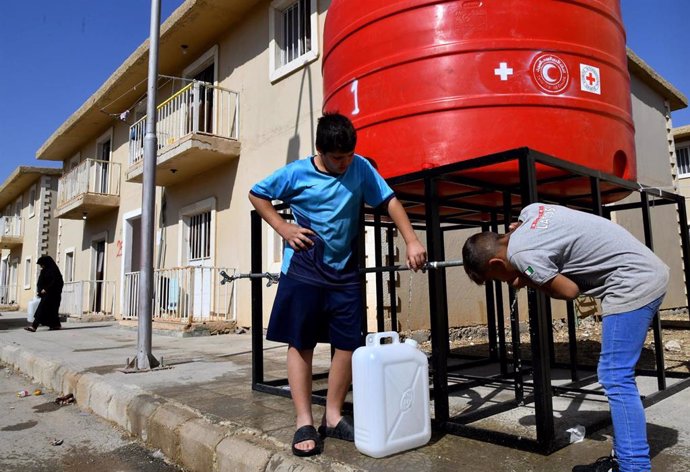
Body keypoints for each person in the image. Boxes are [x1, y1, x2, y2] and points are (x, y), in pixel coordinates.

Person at [249, 112, 427, 457]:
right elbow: (257, 194)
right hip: (304, 267)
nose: (345, 164)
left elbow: (389, 200)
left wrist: (411, 240)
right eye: (337, 158)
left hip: (343, 270)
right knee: (300, 342)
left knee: (348, 342)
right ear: (321, 150)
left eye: (348, 156)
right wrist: (283, 228)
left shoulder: (360, 167)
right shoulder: (297, 172)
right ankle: (304, 420)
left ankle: (332, 415)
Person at [462, 202, 669, 472]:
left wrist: (529, 276)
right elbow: (536, 230)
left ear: (496, 263)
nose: (505, 281)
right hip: (644, 270)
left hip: (633, 282)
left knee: (615, 375)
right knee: (615, 374)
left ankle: (634, 467)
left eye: (497, 278)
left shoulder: (524, 256)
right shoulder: (531, 212)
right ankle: (623, 458)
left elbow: (569, 291)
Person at [25, 255, 64, 332]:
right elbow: (40, 282)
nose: (41, 266)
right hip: (45, 295)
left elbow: (57, 282)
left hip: (53, 294)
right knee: (49, 311)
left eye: (42, 264)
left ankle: (34, 326)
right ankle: (56, 325)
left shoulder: (54, 271)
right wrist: (40, 290)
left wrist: (46, 289)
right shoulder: (44, 271)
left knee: (43, 309)